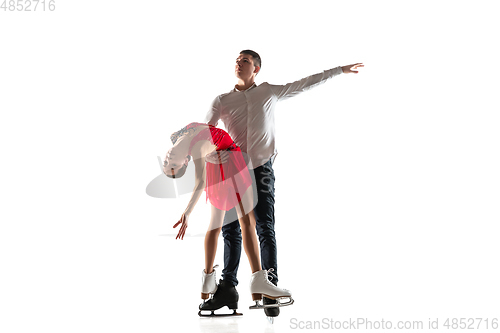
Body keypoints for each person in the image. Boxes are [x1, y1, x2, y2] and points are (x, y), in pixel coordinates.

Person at [204, 50, 363, 318]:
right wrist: (211, 152)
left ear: (256, 69)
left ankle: (270, 288)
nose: (238, 63)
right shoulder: (222, 100)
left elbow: (305, 82)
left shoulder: (268, 92)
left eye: (245, 61)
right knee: (231, 230)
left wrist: (339, 70)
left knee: (265, 226)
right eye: (236, 60)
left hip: (262, 169)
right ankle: (228, 288)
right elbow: (205, 132)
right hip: (234, 171)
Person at [163, 122, 292, 316]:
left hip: (220, 169)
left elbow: (208, 139)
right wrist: (188, 212)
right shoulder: (196, 148)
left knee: (217, 225)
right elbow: (200, 180)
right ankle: (257, 279)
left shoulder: (176, 136)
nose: (168, 160)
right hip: (232, 165)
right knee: (246, 223)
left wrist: (209, 155)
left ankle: (207, 281)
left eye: (166, 164)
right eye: (173, 166)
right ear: (186, 162)